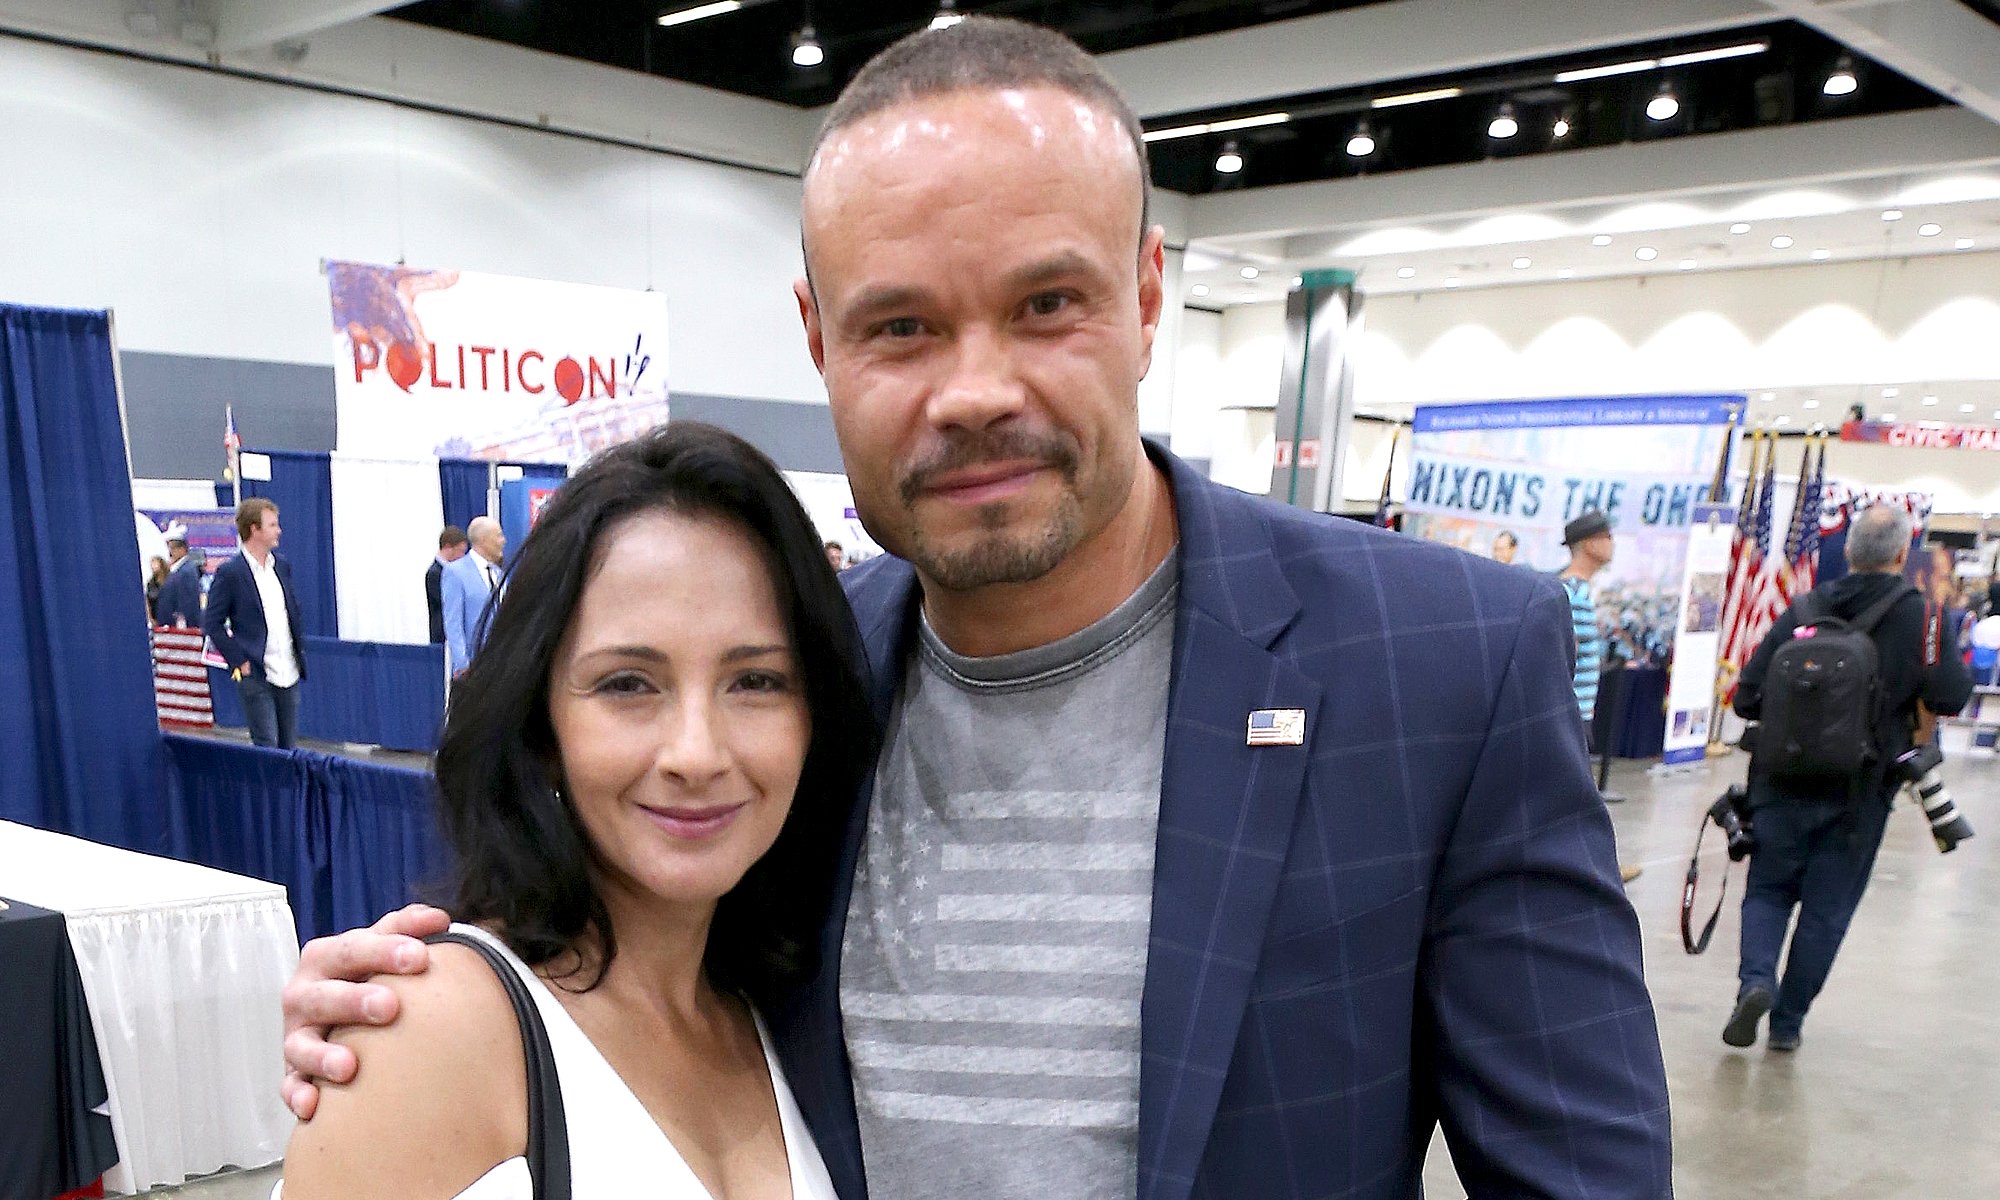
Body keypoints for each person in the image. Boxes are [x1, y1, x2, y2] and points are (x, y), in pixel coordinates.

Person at [279, 18, 1669, 1200]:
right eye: (902, 327)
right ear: (818, 337)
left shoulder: (1439, 665)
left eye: (1045, 303)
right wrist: (411, 1015)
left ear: (1143, 296)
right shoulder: (807, 670)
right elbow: (626, 948)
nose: (974, 390)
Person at [282, 423, 869, 1200]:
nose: (696, 753)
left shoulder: (786, 1016)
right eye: (628, 683)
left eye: (755, 682)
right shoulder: (434, 1038)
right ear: (542, 722)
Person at [1725, 504, 1971, 1052]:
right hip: (1861, 792)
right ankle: (1786, 1027)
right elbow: (1952, 694)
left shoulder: (1805, 606)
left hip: (1778, 780)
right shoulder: (1924, 616)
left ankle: (1755, 982)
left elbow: (1745, 698)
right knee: (1826, 911)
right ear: (1903, 556)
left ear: (1851, 553)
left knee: (1766, 891)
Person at [204, 497, 306, 749]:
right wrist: (239, 660)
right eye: (272, 525)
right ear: (254, 530)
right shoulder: (231, 573)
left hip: (288, 669)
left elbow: (291, 611)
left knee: (288, 746)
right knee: (266, 744)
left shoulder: (281, 566)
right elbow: (212, 623)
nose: (278, 530)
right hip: (256, 673)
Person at [1557, 510, 1612, 740]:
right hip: (1571, 715)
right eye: (1607, 536)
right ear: (1590, 544)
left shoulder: (1581, 591)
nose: (1612, 543)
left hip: (1576, 714)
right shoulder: (1572, 593)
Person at [441, 517, 505, 677]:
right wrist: (462, 664)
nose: (503, 541)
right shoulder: (455, 572)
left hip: (501, 664)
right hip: (473, 668)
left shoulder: (499, 575)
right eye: (498, 535)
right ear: (483, 540)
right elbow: (453, 623)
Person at [425, 525, 467, 644]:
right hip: (442, 636)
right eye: (460, 551)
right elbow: (448, 603)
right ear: (448, 547)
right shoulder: (435, 573)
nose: (462, 556)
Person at [155, 528, 204, 628]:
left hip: (178, 628)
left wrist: (182, 624)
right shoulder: (178, 570)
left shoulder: (186, 571)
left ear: (182, 549)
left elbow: (187, 602)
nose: (170, 552)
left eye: (173, 548)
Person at [144, 554, 170, 622]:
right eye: (151, 564)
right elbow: (148, 601)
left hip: (168, 615)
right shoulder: (151, 583)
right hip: (155, 617)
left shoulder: (169, 580)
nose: (152, 566)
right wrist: (150, 618)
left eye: (154, 563)